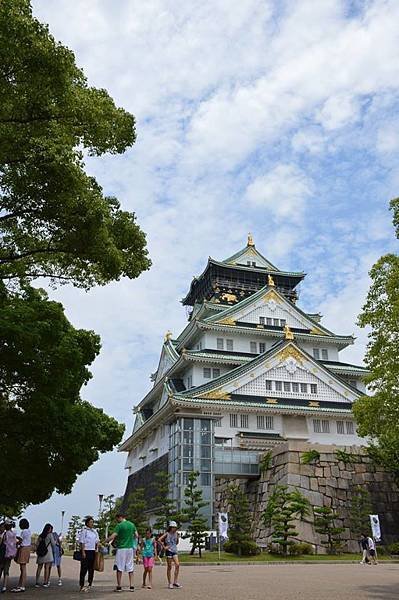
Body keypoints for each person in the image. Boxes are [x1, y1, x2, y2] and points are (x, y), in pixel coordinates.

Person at [106, 513, 138, 593]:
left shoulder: (119, 525)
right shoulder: (132, 524)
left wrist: (106, 540)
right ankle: (132, 586)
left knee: (119, 567)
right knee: (130, 567)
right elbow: (136, 535)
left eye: (117, 519)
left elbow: (113, 535)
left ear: (120, 517)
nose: (117, 521)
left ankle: (119, 586)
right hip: (130, 548)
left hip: (121, 548)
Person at [78, 516, 99, 593]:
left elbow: (97, 541)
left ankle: (89, 584)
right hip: (86, 551)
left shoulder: (94, 531)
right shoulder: (84, 531)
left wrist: (97, 548)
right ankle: (82, 585)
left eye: (93, 522)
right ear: (87, 523)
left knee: (91, 569)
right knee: (84, 569)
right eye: (90, 522)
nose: (92, 524)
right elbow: (82, 542)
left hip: (93, 551)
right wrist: (83, 551)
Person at [159, 521, 182, 589]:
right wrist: (164, 547)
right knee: (169, 567)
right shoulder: (167, 534)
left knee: (177, 565)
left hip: (174, 550)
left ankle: (175, 581)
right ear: (171, 527)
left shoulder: (176, 534)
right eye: (173, 527)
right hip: (169, 551)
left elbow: (176, 543)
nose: (175, 529)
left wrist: (178, 538)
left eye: (175, 527)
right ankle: (170, 583)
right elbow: (159, 540)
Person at [12, 518, 32, 593]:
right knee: (23, 568)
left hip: (23, 549)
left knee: (23, 568)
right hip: (27, 549)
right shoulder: (29, 531)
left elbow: (20, 540)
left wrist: (14, 536)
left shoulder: (23, 531)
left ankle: (22, 586)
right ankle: (20, 585)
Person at [35, 523, 56, 588]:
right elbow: (53, 544)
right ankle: (45, 582)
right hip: (48, 553)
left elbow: (37, 544)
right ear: (49, 529)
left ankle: (37, 582)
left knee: (39, 568)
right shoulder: (50, 535)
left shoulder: (40, 535)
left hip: (41, 553)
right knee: (46, 568)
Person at [0, 520, 17, 593]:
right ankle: (4, 586)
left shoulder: (4, 534)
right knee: (6, 571)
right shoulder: (13, 534)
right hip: (10, 554)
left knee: (0, 568)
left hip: (3, 554)